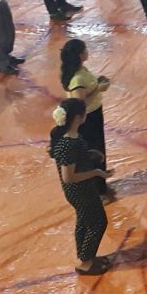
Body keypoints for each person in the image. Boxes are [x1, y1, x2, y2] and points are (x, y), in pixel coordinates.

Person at [47, 97, 111, 275]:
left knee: (84, 221)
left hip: (79, 190)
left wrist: (90, 155)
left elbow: (75, 161)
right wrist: (97, 173)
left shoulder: (69, 138)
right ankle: (86, 263)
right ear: (78, 118)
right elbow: (69, 177)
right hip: (81, 191)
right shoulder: (69, 144)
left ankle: (85, 256)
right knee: (98, 223)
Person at [60, 39, 114, 202]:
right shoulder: (77, 79)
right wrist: (98, 89)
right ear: (79, 55)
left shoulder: (81, 70)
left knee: (98, 149)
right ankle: (97, 192)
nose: (87, 52)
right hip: (88, 119)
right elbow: (80, 104)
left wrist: (97, 83)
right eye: (85, 50)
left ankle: (101, 184)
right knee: (93, 153)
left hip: (94, 114)